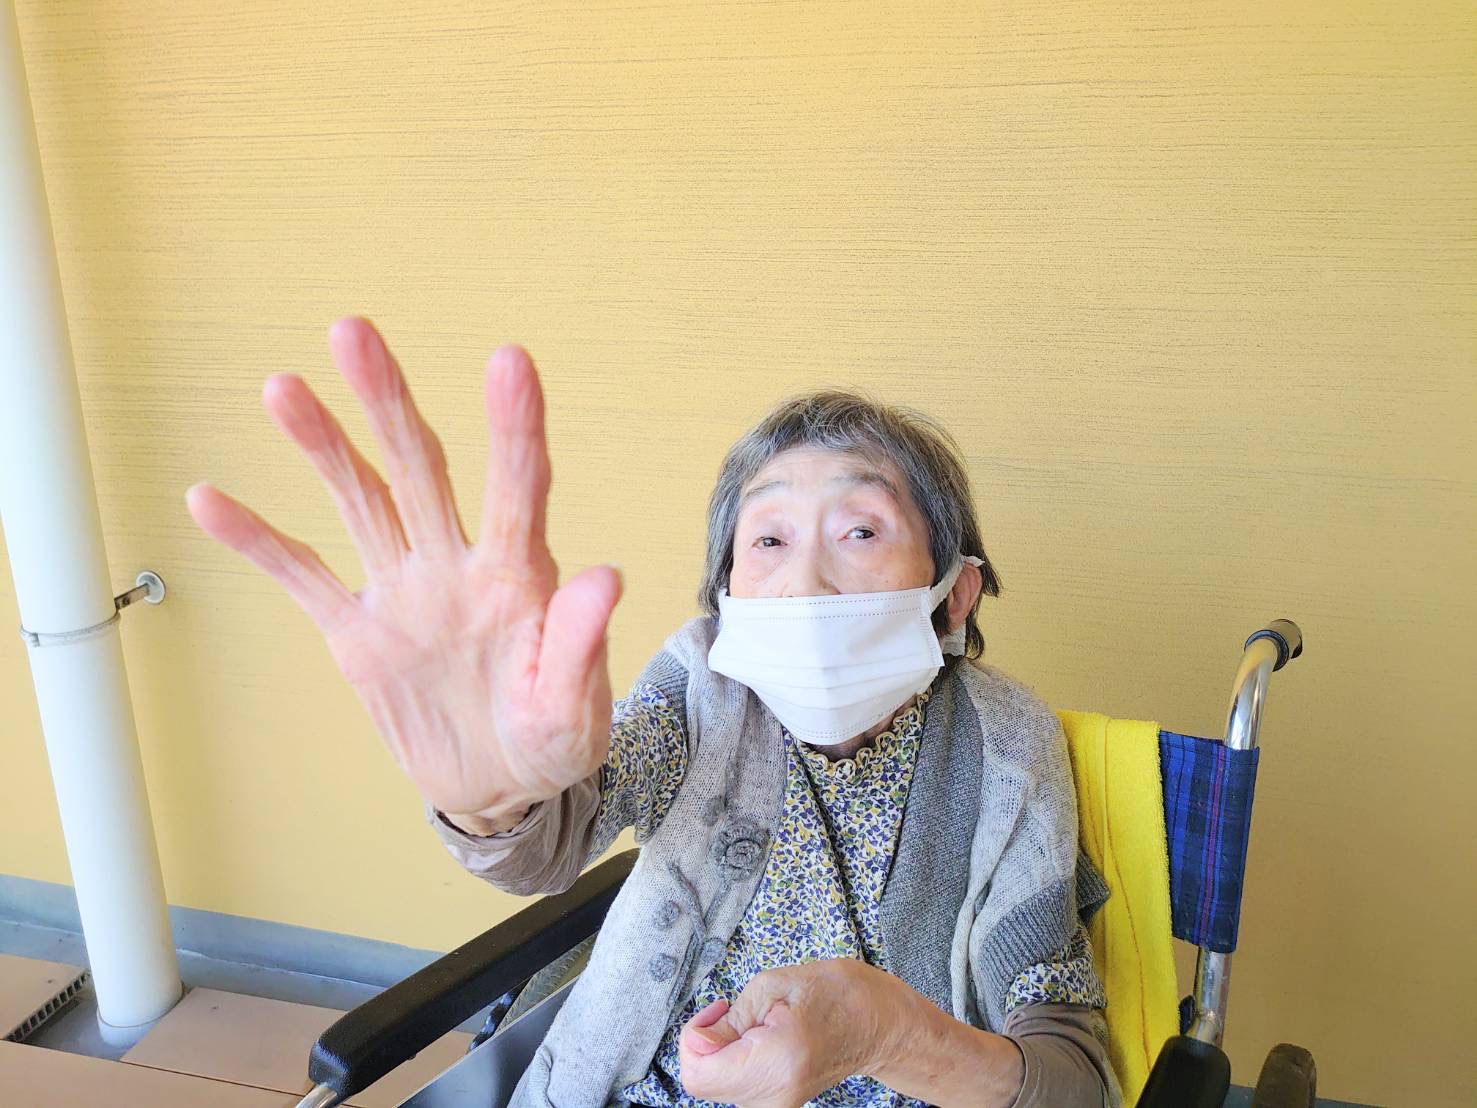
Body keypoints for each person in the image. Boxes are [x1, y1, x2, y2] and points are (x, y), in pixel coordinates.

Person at [187, 317, 1119, 1107]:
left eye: (860, 529)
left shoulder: (1007, 747)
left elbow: (1072, 1081)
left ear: (954, 598)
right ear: (726, 595)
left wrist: (885, 1034)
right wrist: (493, 803)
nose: (802, 581)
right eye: (768, 539)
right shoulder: (701, 684)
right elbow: (555, 838)